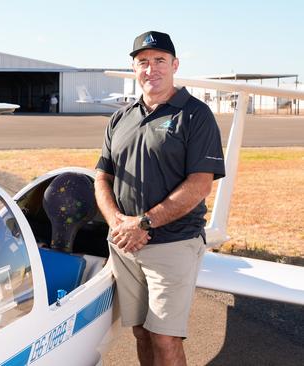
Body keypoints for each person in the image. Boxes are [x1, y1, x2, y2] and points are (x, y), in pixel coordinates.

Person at [94, 31, 225, 366]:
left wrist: (144, 222)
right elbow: (102, 178)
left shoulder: (196, 115)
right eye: (143, 62)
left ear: (174, 65)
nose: (150, 68)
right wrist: (118, 224)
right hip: (125, 244)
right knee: (141, 332)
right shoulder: (120, 118)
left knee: (165, 339)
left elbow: (199, 185)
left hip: (172, 244)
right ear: (134, 68)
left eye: (159, 61)